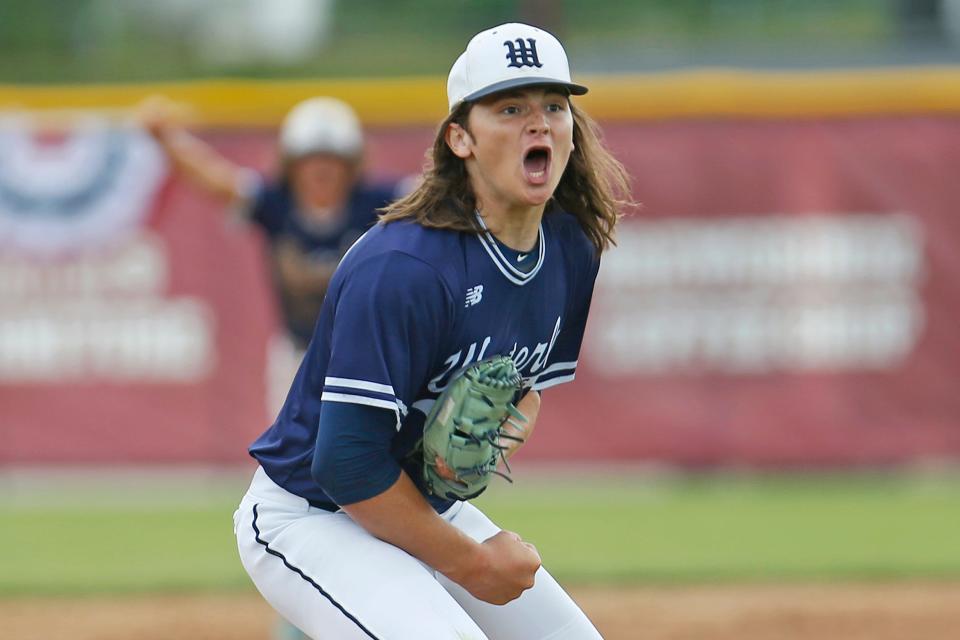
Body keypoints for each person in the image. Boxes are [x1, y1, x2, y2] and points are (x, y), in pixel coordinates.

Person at [233, 22, 630, 640]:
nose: (539, 123)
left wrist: (504, 432)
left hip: (416, 506)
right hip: (312, 513)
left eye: (555, 106)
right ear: (460, 138)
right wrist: (473, 562)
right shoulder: (404, 267)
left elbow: (527, 391)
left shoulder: (571, 247)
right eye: (510, 107)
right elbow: (344, 463)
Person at [140, 96, 400, 413]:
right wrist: (166, 140)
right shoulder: (277, 204)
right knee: (287, 456)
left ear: (351, 166)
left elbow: (432, 192)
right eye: (311, 160)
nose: (321, 170)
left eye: (333, 160)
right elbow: (217, 181)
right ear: (291, 166)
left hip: (366, 355)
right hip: (297, 355)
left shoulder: (378, 204)